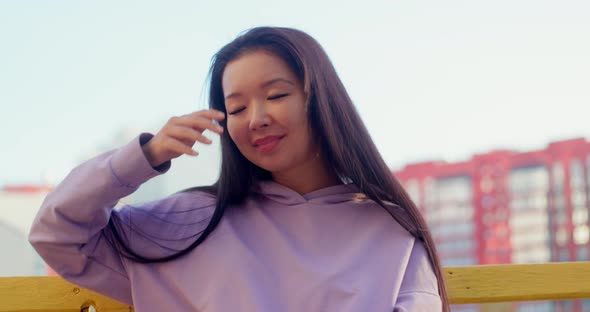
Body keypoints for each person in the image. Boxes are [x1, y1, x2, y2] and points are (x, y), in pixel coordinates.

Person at [29, 26, 449, 311]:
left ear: (320, 99)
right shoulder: (187, 224)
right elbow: (58, 234)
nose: (256, 118)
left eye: (277, 95)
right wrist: (144, 156)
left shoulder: (389, 229)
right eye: (237, 107)